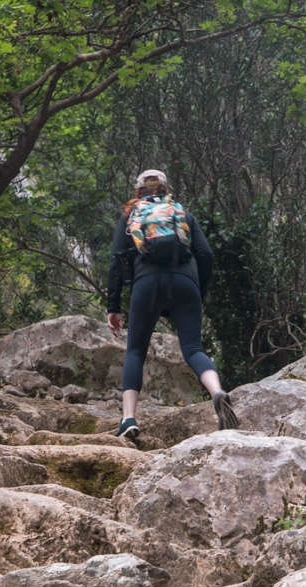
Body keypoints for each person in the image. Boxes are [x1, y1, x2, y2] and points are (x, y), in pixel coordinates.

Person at [107, 169, 239, 441]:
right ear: (166, 189)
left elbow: (116, 260)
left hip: (146, 285)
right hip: (185, 283)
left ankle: (128, 418)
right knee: (192, 349)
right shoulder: (181, 214)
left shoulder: (131, 215)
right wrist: (198, 294)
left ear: (138, 191)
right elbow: (206, 254)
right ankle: (217, 392)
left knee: (135, 351)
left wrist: (114, 307)